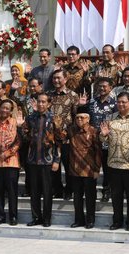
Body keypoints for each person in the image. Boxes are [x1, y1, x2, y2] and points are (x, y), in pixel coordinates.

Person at [100, 92, 129, 231]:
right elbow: (104, 142)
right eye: (119, 102)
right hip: (114, 163)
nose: (121, 104)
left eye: (124, 102)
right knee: (116, 196)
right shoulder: (111, 118)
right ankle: (117, 221)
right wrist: (103, 135)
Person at [22, 93, 61, 227]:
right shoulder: (31, 118)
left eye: (44, 102)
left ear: (49, 104)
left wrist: (56, 160)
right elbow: (25, 137)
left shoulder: (54, 118)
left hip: (47, 160)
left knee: (47, 192)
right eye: (39, 102)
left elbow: (59, 140)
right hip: (33, 159)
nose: (41, 104)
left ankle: (46, 218)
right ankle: (36, 217)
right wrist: (22, 128)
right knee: (34, 191)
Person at [66, 106, 102, 229]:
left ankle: (90, 220)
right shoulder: (71, 130)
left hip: (89, 169)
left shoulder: (94, 131)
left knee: (90, 197)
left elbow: (98, 151)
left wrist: (97, 169)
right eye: (77, 117)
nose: (79, 119)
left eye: (82, 117)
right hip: (75, 169)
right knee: (77, 197)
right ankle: (78, 220)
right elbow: (60, 138)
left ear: (88, 119)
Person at [84, 77, 117, 202]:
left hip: (108, 141)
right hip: (92, 141)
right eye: (100, 86)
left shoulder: (114, 104)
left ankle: (106, 191)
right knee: (92, 167)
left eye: (105, 86)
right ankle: (90, 191)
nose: (102, 88)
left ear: (110, 88)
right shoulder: (92, 102)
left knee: (107, 169)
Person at [49, 69, 79, 200]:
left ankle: (69, 190)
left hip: (67, 138)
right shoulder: (48, 95)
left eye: (58, 78)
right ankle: (58, 189)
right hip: (51, 138)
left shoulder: (73, 96)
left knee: (68, 166)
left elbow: (75, 117)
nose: (56, 80)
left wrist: (69, 134)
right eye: (54, 78)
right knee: (53, 166)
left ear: (65, 79)